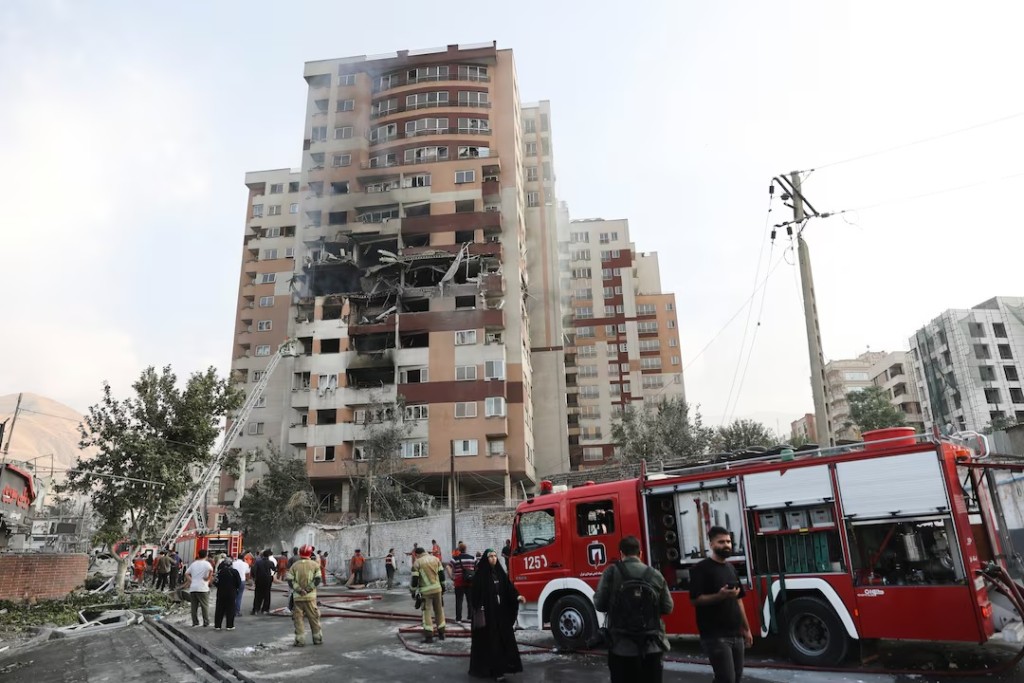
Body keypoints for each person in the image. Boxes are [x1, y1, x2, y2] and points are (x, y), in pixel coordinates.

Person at [593, 535, 673, 683]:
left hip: (621, 647)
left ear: (621, 553)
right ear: (640, 553)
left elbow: (599, 604)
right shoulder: (654, 574)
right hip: (652, 645)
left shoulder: (611, 572)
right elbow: (668, 608)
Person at [689, 526, 753, 683]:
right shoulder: (701, 569)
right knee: (726, 679)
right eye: (721, 542)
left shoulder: (731, 568)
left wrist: (746, 629)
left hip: (736, 634)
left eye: (729, 541)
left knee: (736, 678)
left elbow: (739, 600)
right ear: (711, 544)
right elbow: (694, 600)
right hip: (715, 635)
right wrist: (720, 595)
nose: (727, 545)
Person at [468, 548, 525, 681]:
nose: (493, 558)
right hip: (488, 616)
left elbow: (508, 588)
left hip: (500, 615)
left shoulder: (500, 573)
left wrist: (517, 596)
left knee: (503, 640)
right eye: (490, 556)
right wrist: (480, 605)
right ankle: (491, 670)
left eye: (495, 556)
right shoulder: (480, 575)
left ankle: (503, 668)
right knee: (490, 643)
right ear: (485, 559)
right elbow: (475, 595)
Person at [286, 545, 324, 646]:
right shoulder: (315, 565)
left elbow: (290, 580)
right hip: (310, 597)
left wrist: (299, 589)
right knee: (314, 618)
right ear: (310, 553)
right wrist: (307, 590)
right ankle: (317, 639)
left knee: (298, 619)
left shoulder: (294, 566)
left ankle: (300, 640)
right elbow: (318, 580)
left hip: (298, 598)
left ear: (300, 553)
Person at [411, 546, 446, 643]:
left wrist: (413, 592)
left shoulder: (417, 562)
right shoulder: (436, 559)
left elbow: (414, 580)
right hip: (437, 589)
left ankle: (429, 636)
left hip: (426, 592)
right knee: (439, 611)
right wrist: (443, 588)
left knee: (426, 612)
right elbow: (442, 575)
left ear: (417, 554)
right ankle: (442, 634)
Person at [448, 541, 476, 623]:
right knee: (470, 600)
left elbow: (448, 567)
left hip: (459, 582)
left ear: (459, 549)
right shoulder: (472, 558)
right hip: (470, 581)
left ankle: (458, 618)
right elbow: (477, 567)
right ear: (466, 549)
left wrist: (451, 577)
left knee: (459, 600)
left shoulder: (455, 558)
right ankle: (470, 617)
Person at [185, 549, 214, 628]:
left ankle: (195, 622)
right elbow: (211, 570)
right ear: (206, 555)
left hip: (193, 588)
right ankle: (206, 622)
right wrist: (208, 578)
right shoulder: (207, 564)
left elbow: (186, 573)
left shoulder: (193, 564)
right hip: (203, 588)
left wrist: (191, 580)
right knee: (204, 606)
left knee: (194, 607)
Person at [213, 554, 242, 630]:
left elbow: (215, 582)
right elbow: (239, 583)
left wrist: (219, 586)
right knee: (230, 609)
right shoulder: (235, 572)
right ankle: (229, 625)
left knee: (219, 609)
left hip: (221, 593)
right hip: (231, 593)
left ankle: (217, 625)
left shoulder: (220, 572)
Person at [251, 549, 275, 615]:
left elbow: (253, 570)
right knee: (267, 594)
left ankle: (256, 609)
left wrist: (254, 577)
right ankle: (265, 609)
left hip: (259, 580)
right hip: (267, 580)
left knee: (258, 595)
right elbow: (274, 569)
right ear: (268, 556)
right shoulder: (270, 562)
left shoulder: (258, 562)